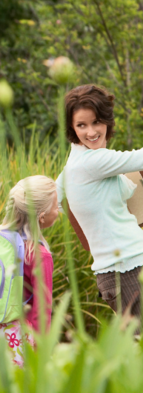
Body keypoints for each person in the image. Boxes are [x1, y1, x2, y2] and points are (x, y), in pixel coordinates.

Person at [57, 84, 143, 322]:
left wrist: (92, 236)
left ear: (107, 120)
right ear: (72, 128)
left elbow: (56, 198)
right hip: (126, 269)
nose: (91, 132)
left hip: (123, 266)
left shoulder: (74, 161)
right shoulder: (92, 161)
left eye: (96, 122)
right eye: (81, 125)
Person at [0, 175, 58, 367]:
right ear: (42, 217)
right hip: (16, 335)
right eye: (56, 206)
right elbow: (41, 310)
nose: (58, 211)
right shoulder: (38, 254)